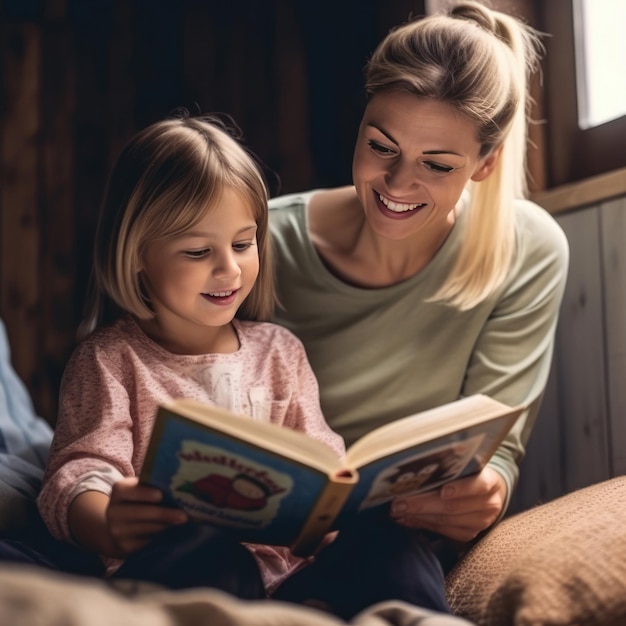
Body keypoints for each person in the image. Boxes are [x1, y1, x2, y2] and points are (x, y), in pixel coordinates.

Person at [34, 112, 473, 623]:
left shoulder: (279, 351)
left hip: (294, 573)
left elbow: (322, 460)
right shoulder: (111, 359)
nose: (229, 268)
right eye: (198, 251)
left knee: (390, 544)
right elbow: (78, 470)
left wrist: (344, 508)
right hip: (185, 566)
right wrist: (108, 519)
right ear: (137, 256)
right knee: (207, 551)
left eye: (243, 244)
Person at [268, 0, 569, 590]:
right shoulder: (262, 242)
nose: (399, 184)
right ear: (360, 123)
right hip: (264, 534)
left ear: (484, 165)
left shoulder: (528, 251)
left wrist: (489, 493)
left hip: (396, 537)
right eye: (382, 146)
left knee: (391, 562)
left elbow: (497, 450)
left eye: (437, 164)